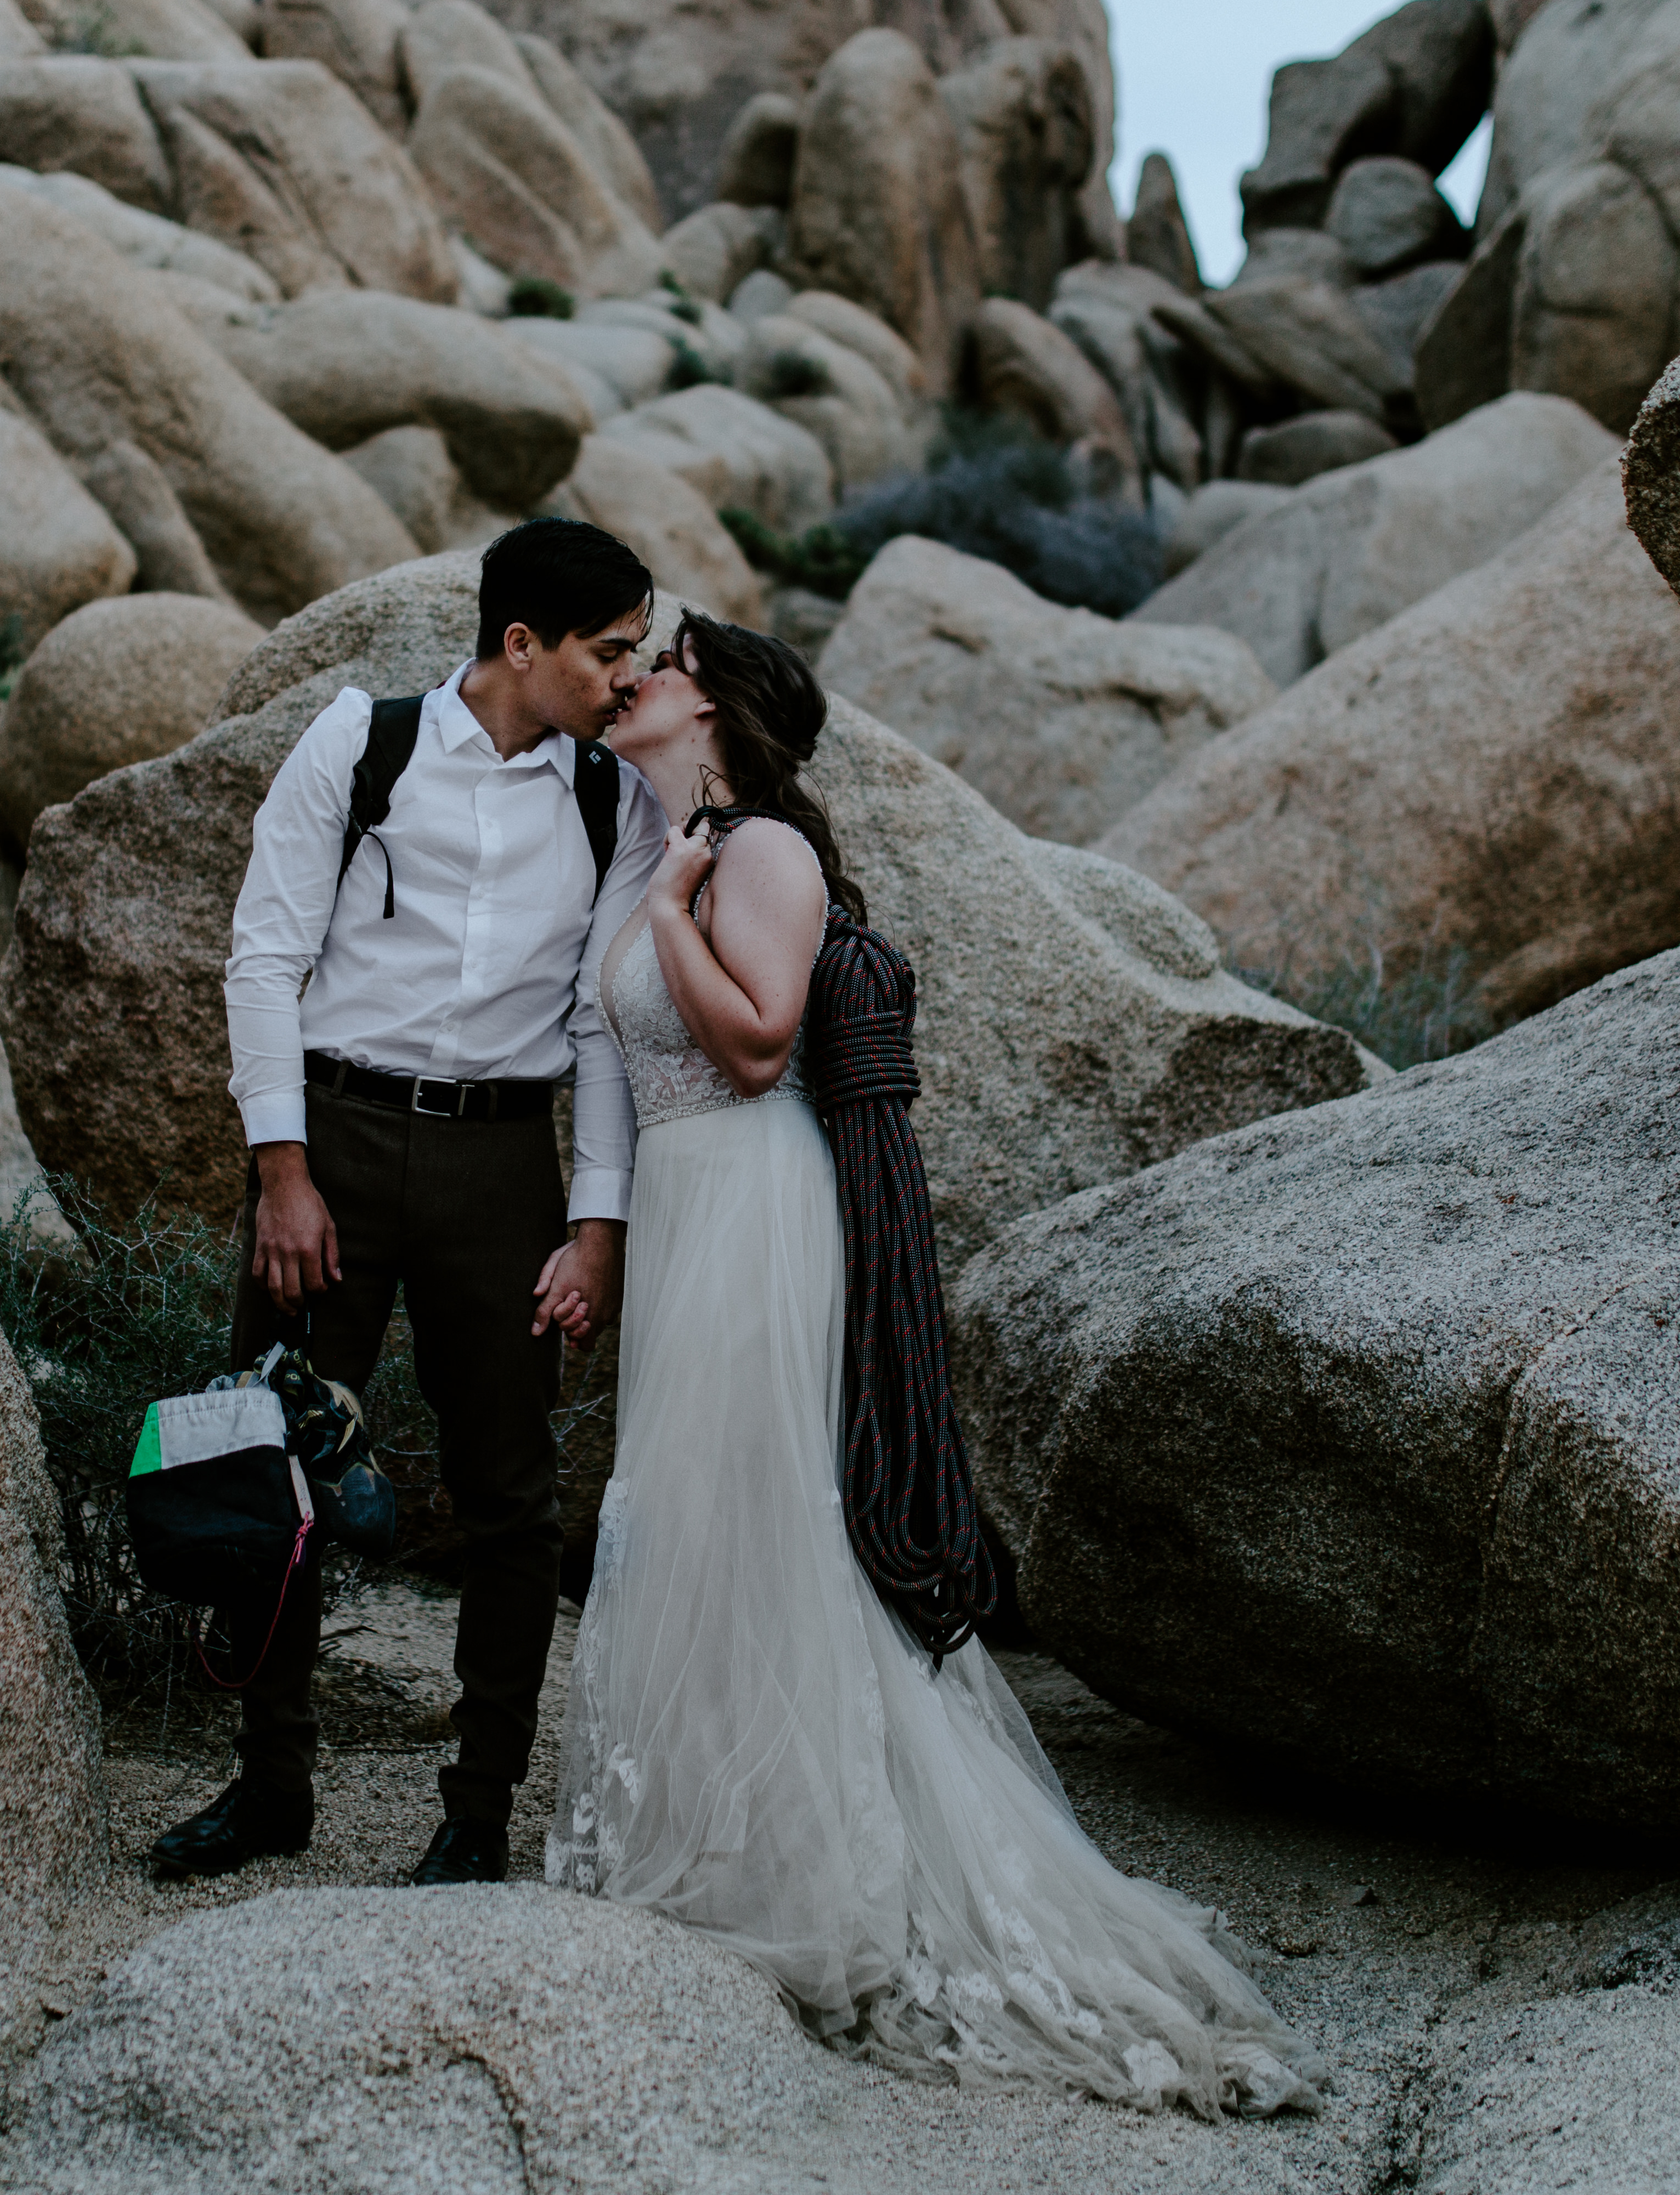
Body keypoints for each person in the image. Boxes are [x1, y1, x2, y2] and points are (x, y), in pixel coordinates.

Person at [547, 611, 1326, 2115]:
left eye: (664, 658)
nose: (634, 672)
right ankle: (720, 1834)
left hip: (760, 1202)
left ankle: (823, 1872)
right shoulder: (659, 850)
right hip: (691, 1211)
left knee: (771, 1521)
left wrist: (665, 930)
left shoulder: (759, 851)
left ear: (714, 708)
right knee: (697, 1519)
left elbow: (763, 1045)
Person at [150, 519, 666, 1889]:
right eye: (610, 652)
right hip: (335, 1141)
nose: (630, 678)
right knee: (272, 1468)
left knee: (511, 1497)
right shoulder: (357, 744)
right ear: (522, 645)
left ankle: (479, 1809)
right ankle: (270, 1786)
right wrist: (282, 1170)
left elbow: (604, 1028)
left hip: (505, 1170)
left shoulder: (617, 801)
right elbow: (263, 958)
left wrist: (597, 1224)